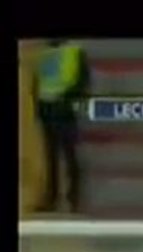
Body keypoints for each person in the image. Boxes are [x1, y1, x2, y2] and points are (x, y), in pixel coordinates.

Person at [35, 38, 90, 213]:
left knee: (70, 155)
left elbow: (82, 81)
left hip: (65, 111)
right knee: (51, 158)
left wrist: (68, 101)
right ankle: (51, 199)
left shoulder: (75, 51)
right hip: (47, 110)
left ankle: (74, 199)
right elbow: (39, 83)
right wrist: (39, 109)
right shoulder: (45, 53)